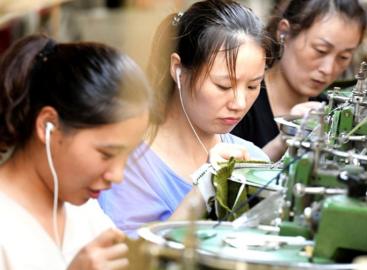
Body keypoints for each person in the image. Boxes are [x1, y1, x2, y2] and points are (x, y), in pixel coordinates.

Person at [99, 0, 271, 237]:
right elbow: (135, 259)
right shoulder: (128, 166)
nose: (239, 103)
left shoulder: (252, 157)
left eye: (253, 86)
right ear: (178, 68)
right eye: (223, 85)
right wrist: (206, 185)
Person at [0, 34, 152, 269]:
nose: (118, 176)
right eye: (107, 154)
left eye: (128, 156)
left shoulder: (84, 210)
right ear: (48, 125)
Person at [232, 0, 367, 161]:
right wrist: (283, 141)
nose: (328, 69)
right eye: (320, 50)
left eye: (344, 57)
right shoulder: (239, 105)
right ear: (284, 32)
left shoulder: (329, 111)